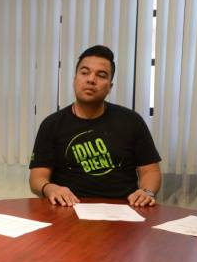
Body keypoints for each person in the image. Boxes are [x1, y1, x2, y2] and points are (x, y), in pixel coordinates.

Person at [29, 45, 162, 206]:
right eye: (84, 73)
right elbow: (37, 178)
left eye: (101, 75)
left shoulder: (132, 121)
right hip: (68, 207)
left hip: (122, 209)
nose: (91, 80)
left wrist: (147, 192)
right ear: (75, 79)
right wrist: (50, 188)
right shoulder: (51, 124)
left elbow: (150, 171)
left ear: (110, 87)